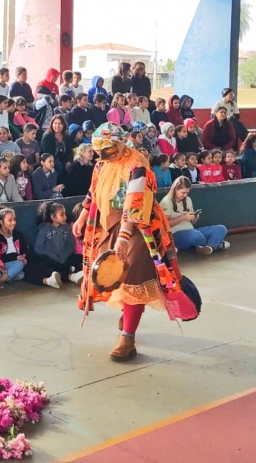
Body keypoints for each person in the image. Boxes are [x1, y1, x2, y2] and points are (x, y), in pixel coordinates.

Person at [73, 122, 191, 362]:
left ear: (119, 143)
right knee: (113, 276)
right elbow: (93, 192)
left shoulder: (138, 165)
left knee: (133, 279)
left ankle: (128, 338)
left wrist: (125, 236)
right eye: (98, 151)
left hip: (139, 228)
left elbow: (135, 202)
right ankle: (129, 315)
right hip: (110, 225)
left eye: (106, 150)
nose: (100, 156)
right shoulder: (102, 163)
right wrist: (83, 216)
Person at [160, 177, 229, 255]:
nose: (185, 195)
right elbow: (163, 225)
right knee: (196, 236)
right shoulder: (166, 202)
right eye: (183, 192)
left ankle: (209, 248)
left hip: (192, 231)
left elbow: (192, 223)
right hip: (175, 234)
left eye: (187, 192)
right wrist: (183, 217)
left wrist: (194, 218)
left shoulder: (188, 200)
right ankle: (215, 244)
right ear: (175, 189)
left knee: (221, 228)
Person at [30, 201, 83, 288]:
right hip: (51, 259)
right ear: (53, 217)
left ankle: (71, 270)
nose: (65, 217)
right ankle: (71, 274)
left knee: (79, 258)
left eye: (65, 214)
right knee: (44, 265)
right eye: (61, 215)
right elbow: (38, 248)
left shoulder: (67, 227)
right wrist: (53, 256)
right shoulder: (44, 228)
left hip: (64, 258)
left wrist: (64, 256)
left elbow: (71, 244)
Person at [0, 207, 28, 282]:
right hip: (2, 265)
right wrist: (15, 257)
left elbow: (24, 250)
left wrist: (24, 257)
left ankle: (6, 277)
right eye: (10, 220)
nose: (13, 223)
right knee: (19, 266)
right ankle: (2, 279)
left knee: (21, 274)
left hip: (15, 263)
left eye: (14, 219)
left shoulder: (17, 234)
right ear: (1, 222)